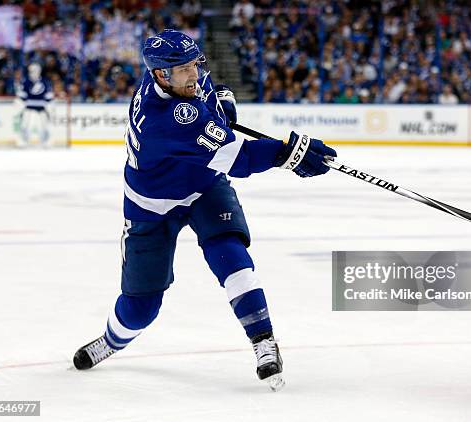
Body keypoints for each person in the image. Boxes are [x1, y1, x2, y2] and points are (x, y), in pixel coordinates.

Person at [72, 29, 337, 392]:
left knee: (230, 252)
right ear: (160, 75)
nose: (194, 76)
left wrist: (222, 102)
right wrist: (291, 153)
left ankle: (263, 341)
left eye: (195, 65)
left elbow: (212, 97)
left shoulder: (183, 80)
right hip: (152, 206)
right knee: (141, 308)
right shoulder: (164, 118)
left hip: (202, 185)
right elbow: (240, 158)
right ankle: (111, 340)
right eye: (183, 71)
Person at [15, 63, 54, 147]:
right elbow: (21, 95)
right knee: (25, 124)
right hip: (28, 106)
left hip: (42, 107)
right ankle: (23, 140)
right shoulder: (25, 81)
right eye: (32, 71)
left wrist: (46, 103)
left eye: (36, 71)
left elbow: (49, 95)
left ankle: (45, 141)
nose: (34, 73)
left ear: (39, 71)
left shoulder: (45, 81)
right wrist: (25, 102)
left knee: (44, 125)